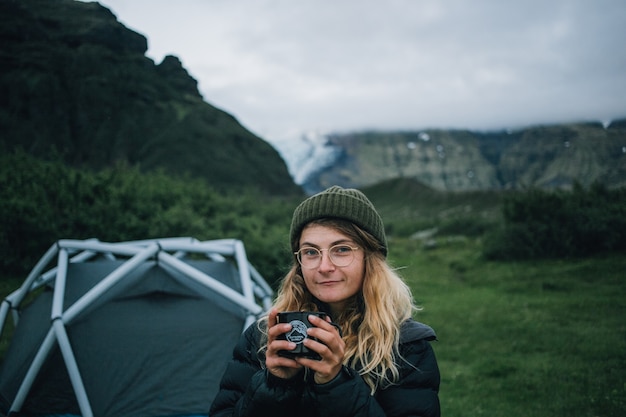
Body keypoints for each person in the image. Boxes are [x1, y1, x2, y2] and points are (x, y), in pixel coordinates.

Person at [209, 185, 440, 417]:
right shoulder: (261, 338)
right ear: (298, 262)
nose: (324, 267)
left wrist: (336, 383)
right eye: (311, 252)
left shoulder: (407, 347)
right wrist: (275, 384)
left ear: (370, 258)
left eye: (341, 249)